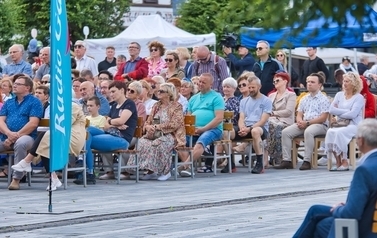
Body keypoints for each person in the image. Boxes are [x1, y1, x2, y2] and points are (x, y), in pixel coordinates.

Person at [292, 118, 377, 238]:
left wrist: (338, 208)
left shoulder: (365, 170)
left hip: (367, 228)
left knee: (320, 224)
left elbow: (351, 214)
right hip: (370, 216)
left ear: (361, 141)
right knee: (316, 213)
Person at [11, 103, 86, 191]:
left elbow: (64, 124)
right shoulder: (56, 107)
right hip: (62, 136)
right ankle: (52, 177)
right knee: (46, 140)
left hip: (73, 137)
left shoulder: (72, 105)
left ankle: (27, 161)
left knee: (47, 138)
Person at [126, 83, 185, 181]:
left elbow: (175, 124)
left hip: (170, 135)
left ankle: (166, 171)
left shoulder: (176, 106)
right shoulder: (156, 105)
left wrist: (157, 127)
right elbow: (148, 121)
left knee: (158, 144)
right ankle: (150, 171)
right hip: (153, 134)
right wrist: (148, 127)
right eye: (158, 91)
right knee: (141, 143)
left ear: (169, 94)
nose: (158, 92)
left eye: (161, 91)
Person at [276, 73, 330, 170]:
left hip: (320, 125)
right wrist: (300, 121)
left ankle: (307, 161)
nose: (309, 84)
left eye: (312, 82)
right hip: (305, 123)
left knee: (309, 131)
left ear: (320, 85)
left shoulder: (323, 99)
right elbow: (299, 113)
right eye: (308, 82)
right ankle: (286, 160)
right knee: (286, 132)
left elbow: (323, 117)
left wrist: (308, 123)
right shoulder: (304, 98)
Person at [86, 81, 138, 181]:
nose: (111, 94)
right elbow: (105, 125)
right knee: (88, 131)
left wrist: (111, 121)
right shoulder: (114, 105)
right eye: (110, 92)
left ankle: (89, 171)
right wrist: (114, 124)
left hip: (122, 138)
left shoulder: (129, 103)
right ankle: (91, 171)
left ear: (122, 90)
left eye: (113, 91)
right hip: (110, 134)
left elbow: (122, 120)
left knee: (87, 138)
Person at [0, 75, 43, 190]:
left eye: (18, 84)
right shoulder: (8, 102)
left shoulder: (35, 102)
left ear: (27, 88)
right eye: (14, 83)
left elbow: (33, 124)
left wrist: (15, 136)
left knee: (21, 143)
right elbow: (1, 120)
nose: (14, 85)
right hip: (6, 136)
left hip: (27, 136)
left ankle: (16, 179)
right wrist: (9, 133)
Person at [178, 73, 224, 176]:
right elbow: (189, 117)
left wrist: (202, 129)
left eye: (204, 82)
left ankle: (184, 166)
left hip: (213, 129)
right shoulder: (193, 98)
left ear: (211, 84)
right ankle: (188, 167)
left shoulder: (217, 97)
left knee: (201, 141)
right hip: (194, 129)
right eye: (199, 81)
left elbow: (219, 118)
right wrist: (191, 129)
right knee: (178, 141)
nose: (200, 84)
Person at [232, 73, 272, 174]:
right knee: (228, 132)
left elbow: (263, 121)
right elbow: (241, 117)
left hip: (260, 128)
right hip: (245, 127)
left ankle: (259, 163)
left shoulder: (266, 101)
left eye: (253, 87)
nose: (250, 89)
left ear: (259, 87)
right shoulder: (243, 101)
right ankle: (230, 162)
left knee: (255, 131)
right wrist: (242, 128)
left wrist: (248, 129)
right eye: (249, 87)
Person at [325, 72, 364, 171]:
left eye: (347, 81)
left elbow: (353, 115)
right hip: (340, 123)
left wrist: (339, 112)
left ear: (354, 83)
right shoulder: (339, 95)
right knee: (330, 132)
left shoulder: (359, 97)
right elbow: (331, 110)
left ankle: (345, 161)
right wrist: (347, 111)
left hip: (354, 125)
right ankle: (338, 162)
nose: (344, 83)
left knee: (339, 132)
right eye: (344, 81)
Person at [266, 72, 296, 165]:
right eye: (274, 81)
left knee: (274, 126)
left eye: (277, 80)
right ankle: (266, 154)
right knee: (264, 125)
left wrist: (273, 113)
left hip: (285, 121)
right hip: (272, 119)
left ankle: (277, 156)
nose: (275, 82)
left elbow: (288, 112)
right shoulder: (271, 95)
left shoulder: (291, 95)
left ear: (285, 81)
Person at [217, 77, 239, 173]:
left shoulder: (236, 101)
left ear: (234, 89)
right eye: (224, 87)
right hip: (219, 125)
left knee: (225, 133)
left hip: (233, 126)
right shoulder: (220, 99)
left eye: (228, 87)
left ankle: (230, 162)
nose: (225, 89)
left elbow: (234, 115)